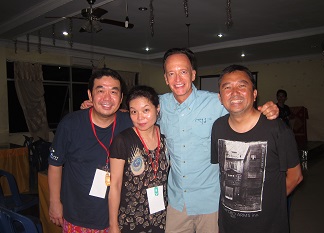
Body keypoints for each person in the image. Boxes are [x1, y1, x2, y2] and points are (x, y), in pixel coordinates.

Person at [81, 48, 279, 233]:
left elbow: (242, 111)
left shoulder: (215, 102)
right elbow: (138, 111)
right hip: (176, 202)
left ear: (193, 74)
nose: (178, 79)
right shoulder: (159, 104)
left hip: (209, 202)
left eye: (183, 72)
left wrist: (266, 110)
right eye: (171, 73)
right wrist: (99, 108)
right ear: (165, 78)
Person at [211, 64, 303, 233]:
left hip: (268, 226)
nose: (235, 92)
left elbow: (295, 176)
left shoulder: (276, 129)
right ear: (220, 97)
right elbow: (223, 174)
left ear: (254, 94)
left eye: (242, 85)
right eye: (227, 87)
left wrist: (270, 207)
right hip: (228, 225)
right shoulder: (218, 127)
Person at [48, 68, 133, 232]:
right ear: (90, 95)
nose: (107, 98)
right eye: (100, 91)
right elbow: (55, 165)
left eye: (113, 92)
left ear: (121, 97)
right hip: (78, 216)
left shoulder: (129, 123)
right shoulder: (70, 124)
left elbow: (150, 112)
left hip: (120, 217)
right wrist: (54, 202)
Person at [108, 85, 168, 233]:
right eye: (134, 112)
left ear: (157, 109)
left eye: (146, 110)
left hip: (162, 217)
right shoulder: (123, 140)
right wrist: (113, 225)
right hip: (131, 220)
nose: (140, 117)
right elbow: (114, 185)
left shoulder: (166, 136)